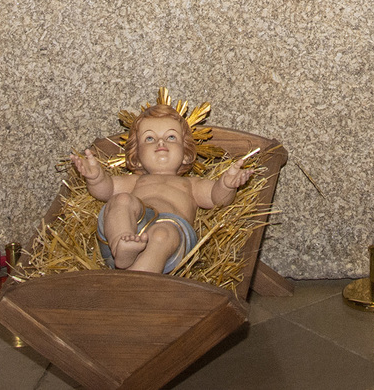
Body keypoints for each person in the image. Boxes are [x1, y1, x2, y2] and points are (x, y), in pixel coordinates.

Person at [72, 103, 254, 274]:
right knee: (121, 200)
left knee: (161, 234)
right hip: (133, 227)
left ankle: (135, 282)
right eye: (150, 138)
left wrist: (226, 185)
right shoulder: (136, 181)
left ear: (186, 153)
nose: (160, 143)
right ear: (136, 157)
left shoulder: (190, 184)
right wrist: (96, 178)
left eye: (171, 137)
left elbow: (217, 199)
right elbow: (107, 190)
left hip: (170, 238)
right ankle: (122, 244)